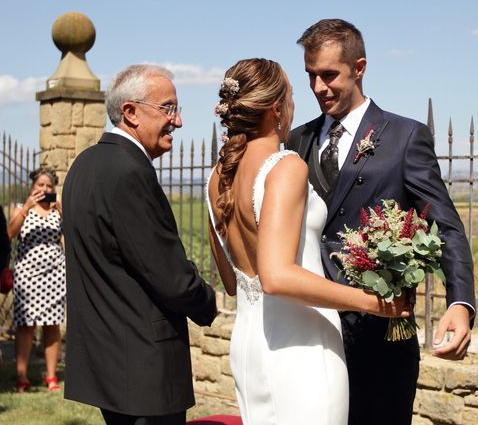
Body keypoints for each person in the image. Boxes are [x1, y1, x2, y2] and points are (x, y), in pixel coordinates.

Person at [287, 19, 476, 425]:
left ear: (360, 68)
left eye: (329, 75)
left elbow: (445, 226)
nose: (319, 87)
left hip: (383, 335)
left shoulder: (405, 137)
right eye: (311, 76)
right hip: (311, 329)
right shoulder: (296, 140)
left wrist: (460, 303)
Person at [206, 58, 412, 425]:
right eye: (291, 93)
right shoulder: (285, 167)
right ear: (276, 109)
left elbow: (231, 281)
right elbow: (276, 276)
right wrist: (374, 303)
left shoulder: (218, 177)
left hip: (249, 348)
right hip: (302, 348)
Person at [62, 64, 217, 425]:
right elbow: (167, 274)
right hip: (144, 367)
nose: (177, 122)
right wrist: (210, 303)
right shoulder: (130, 172)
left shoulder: (85, 164)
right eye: (168, 108)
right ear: (130, 112)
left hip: (108, 360)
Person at [6, 167, 65, 392]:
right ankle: (22, 378)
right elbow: (9, 233)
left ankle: (51, 377)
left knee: (52, 325)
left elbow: (73, 235)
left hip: (55, 275)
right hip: (27, 276)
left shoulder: (58, 210)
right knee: (26, 326)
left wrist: (63, 212)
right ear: (32, 188)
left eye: (48, 186)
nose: (44, 189)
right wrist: (27, 208)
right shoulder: (22, 208)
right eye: (40, 185)